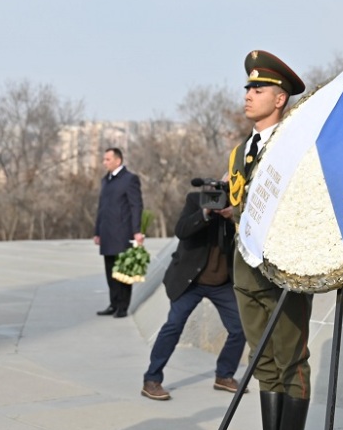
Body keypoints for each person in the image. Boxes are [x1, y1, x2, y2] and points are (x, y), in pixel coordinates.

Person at [225, 51, 313, 430]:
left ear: (280, 99)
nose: (248, 95)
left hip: (285, 269)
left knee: (291, 359)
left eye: (258, 89)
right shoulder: (242, 151)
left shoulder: (295, 147)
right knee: (262, 360)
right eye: (247, 88)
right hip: (247, 270)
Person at [140, 189, 246, 401]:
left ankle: (224, 375)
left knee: (240, 327)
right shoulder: (195, 200)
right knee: (173, 325)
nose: (219, 194)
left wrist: (233, 215)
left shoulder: (239, 207)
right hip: (191, 281)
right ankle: (152, 379)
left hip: (221, 282)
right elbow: (182, 230)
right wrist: (204, 213)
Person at [92, 147, 143, 318]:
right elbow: (101, 208)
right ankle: (113, 304)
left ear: (118, 160)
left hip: (123, 232)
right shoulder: (105, 180)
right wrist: (97, 231)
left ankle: (122, 307)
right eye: (104, 159)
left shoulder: (130, 179)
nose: (104, 162)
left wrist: (137, 231)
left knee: (123, 272)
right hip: (106, 232)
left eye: (107, 159)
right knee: (110, 271)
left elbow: (136, 206)